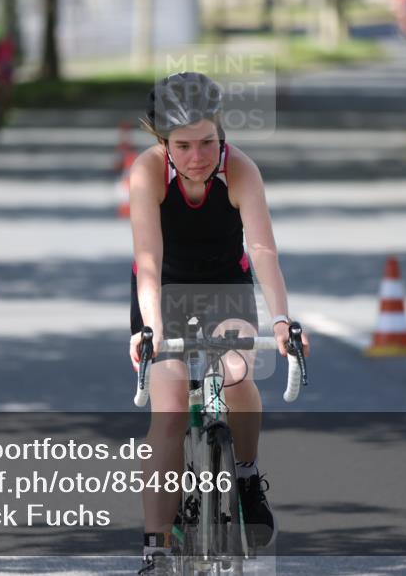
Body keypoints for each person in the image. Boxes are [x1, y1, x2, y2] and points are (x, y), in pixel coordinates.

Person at [128, 72, 311, 574]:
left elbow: (263, 250)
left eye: (207, 141)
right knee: (167, 408)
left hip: (225, 289)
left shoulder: (241, 171)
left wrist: (280, 321)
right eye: (183, 146)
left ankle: (247, 477)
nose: (197, 156)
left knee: (236, 374)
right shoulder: (147, 173)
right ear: (163, 141)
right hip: (160, 292)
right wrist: (151, 331)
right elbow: (146, 258)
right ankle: (155, 549)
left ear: (221, 132)